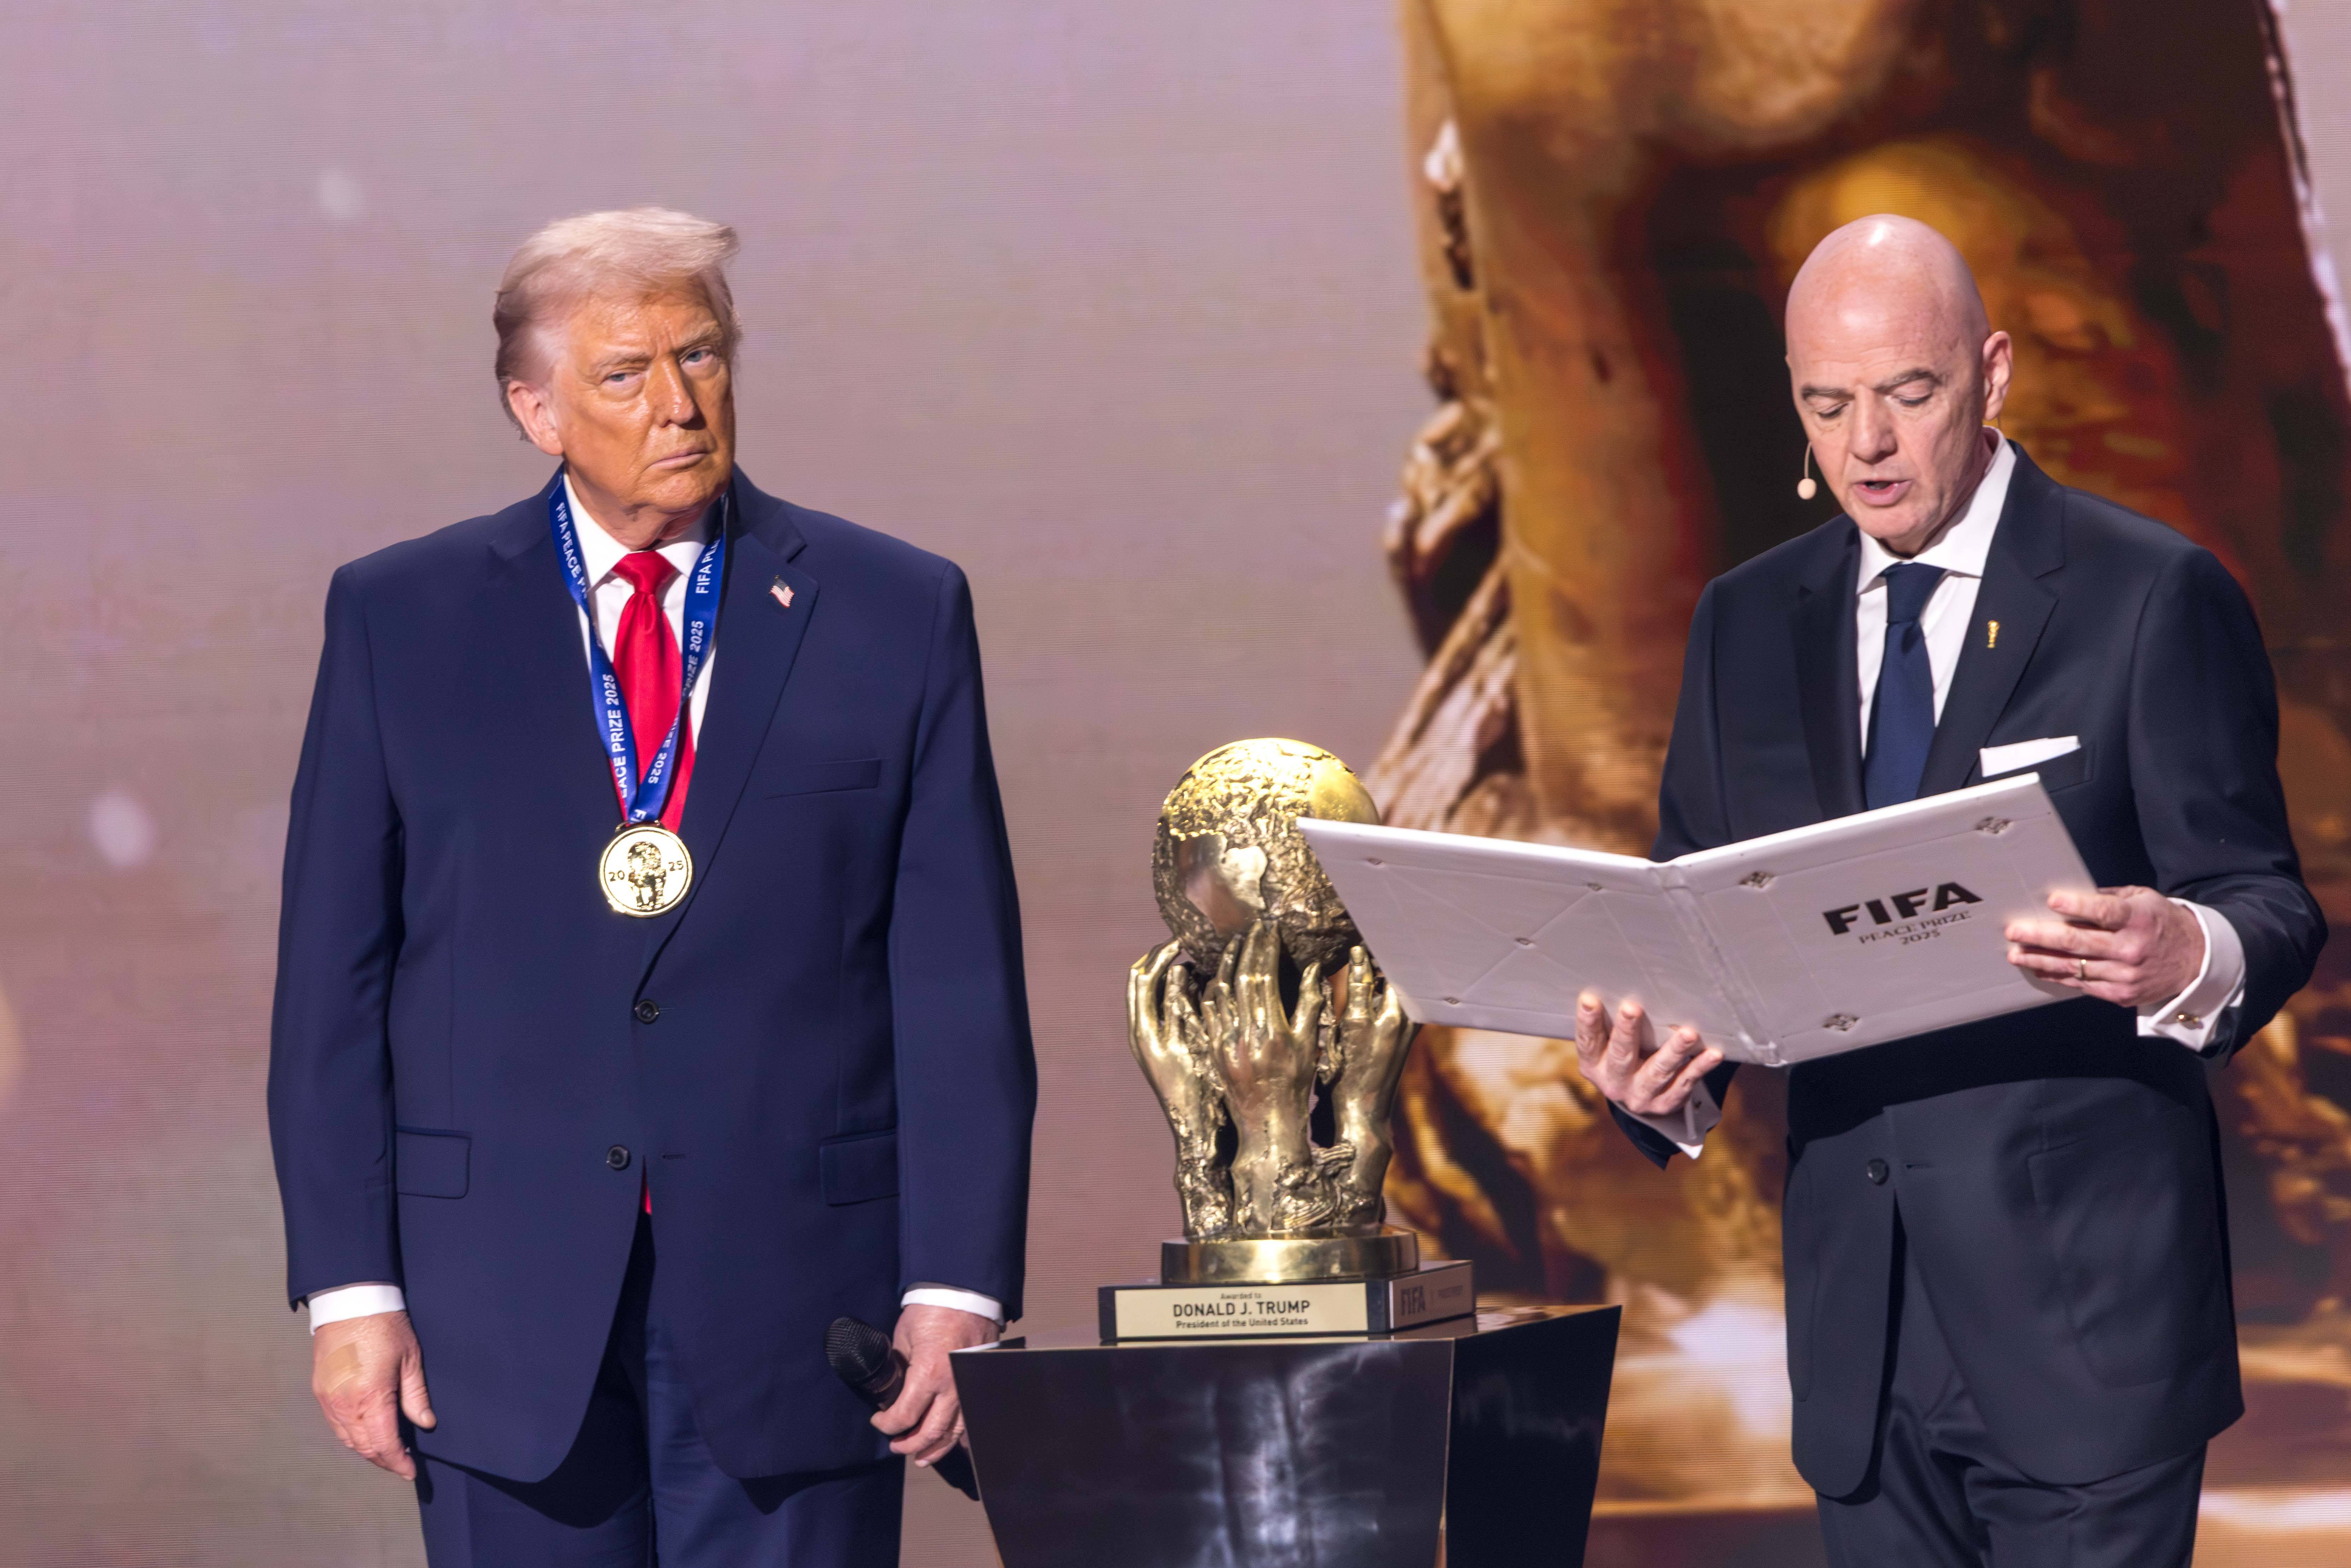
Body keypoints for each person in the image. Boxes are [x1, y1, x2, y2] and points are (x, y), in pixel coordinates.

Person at [268, 208, 1035, 1566]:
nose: (679, 404)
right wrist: (349, 1287)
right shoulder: (402, 615)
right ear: (535, 408)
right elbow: (334, 981)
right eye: (625, 374)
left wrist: (956, 1281)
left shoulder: (892, 607)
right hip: (491, 1310)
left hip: (806, 1301)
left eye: (703, 355)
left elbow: (957, 978)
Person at [1573, 215, 2323, 1566]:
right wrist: (1660, 1076)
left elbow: (2267, 901)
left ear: (1990, 374)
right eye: (1826, 404)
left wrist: (2182, 953)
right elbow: (1696, 924)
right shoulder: (1743, 624)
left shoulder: (2146, 596)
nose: (1865, 443)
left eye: (1907, 395)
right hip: (1860, 1342)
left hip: (2086, 1328)